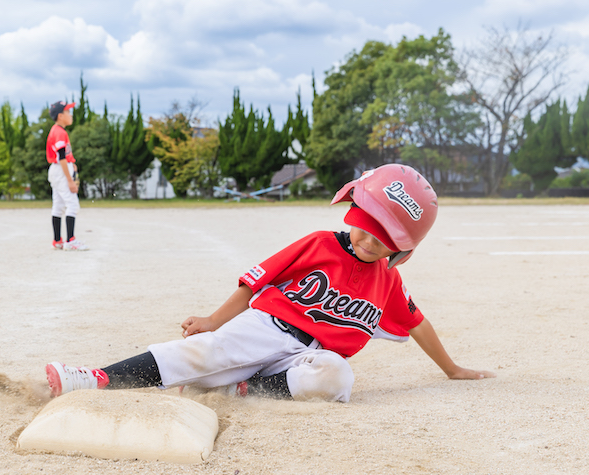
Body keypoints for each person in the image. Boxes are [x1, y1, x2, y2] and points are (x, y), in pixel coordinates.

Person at [45, 164, 494, 401]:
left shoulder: (389, 282)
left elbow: (417, 323)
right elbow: (255, 280)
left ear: (402, 251)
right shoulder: (320, 243)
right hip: (267, 328)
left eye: (383, 240)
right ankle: (94, 377)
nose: (368, 242)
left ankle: (244, 389)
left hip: (305, 359)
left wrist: (452, 369)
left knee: (337, 377)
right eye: (364, 226)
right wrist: (213, 319)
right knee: (204, 354)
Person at [46, 100, 88, 251]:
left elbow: (63, 156)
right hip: (61, 170)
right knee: (72, 204)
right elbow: (61, 157)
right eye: (67, 112)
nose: (70, 115)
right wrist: (70, 180)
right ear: (60, 116)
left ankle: (58, 240)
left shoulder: (56, 130)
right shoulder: (60, 132)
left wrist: (72, 164)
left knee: (58, 205)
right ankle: (71, 240)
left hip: (56, 169)